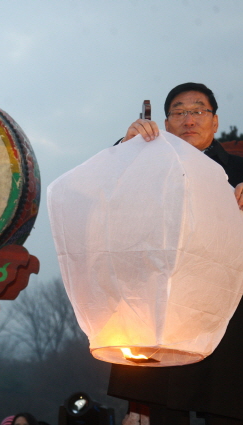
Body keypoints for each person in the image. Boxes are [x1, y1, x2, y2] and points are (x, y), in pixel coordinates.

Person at [108, 83, 243, 425]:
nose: (189, 119)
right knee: (165, 409)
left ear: (215, 121)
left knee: (228, 407)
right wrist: (127, 148)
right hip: (163, 310)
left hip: (228, 314)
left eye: (198, 110)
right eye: (179, 112)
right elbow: (103, 195)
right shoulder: (142, 160)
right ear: (166, 124)